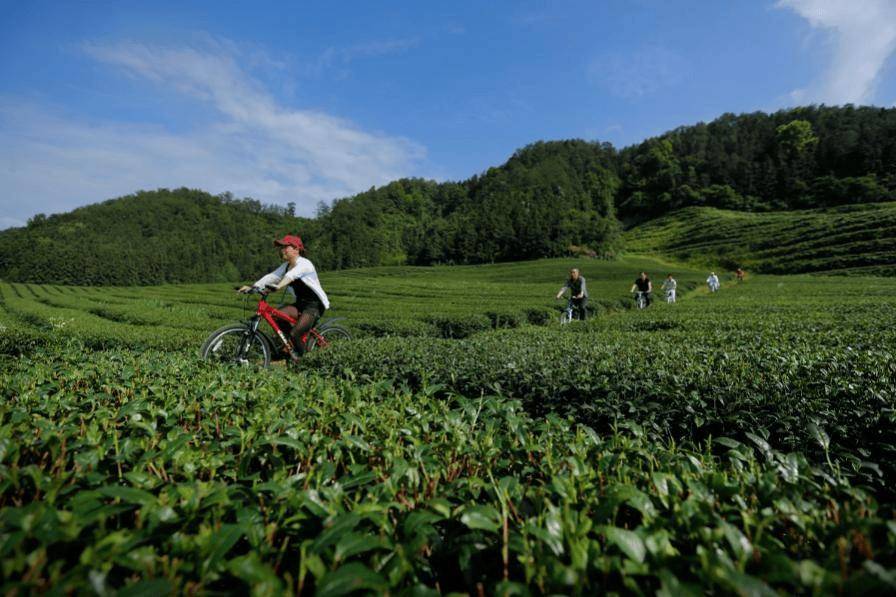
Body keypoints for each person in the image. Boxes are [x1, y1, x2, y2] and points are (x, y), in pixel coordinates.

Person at [238, 235, 330, 363]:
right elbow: (272, 276)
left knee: (295, 334)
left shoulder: (304, 264)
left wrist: (279, 286)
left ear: (296, 249)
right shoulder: (286, 266)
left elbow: (291, 276)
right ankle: (291, 345)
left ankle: (304, 361)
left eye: (285, 247)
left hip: (314, 306)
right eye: (281, 247)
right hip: (300, 304)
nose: (282, 250)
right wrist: (252, 287)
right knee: (276, 315)